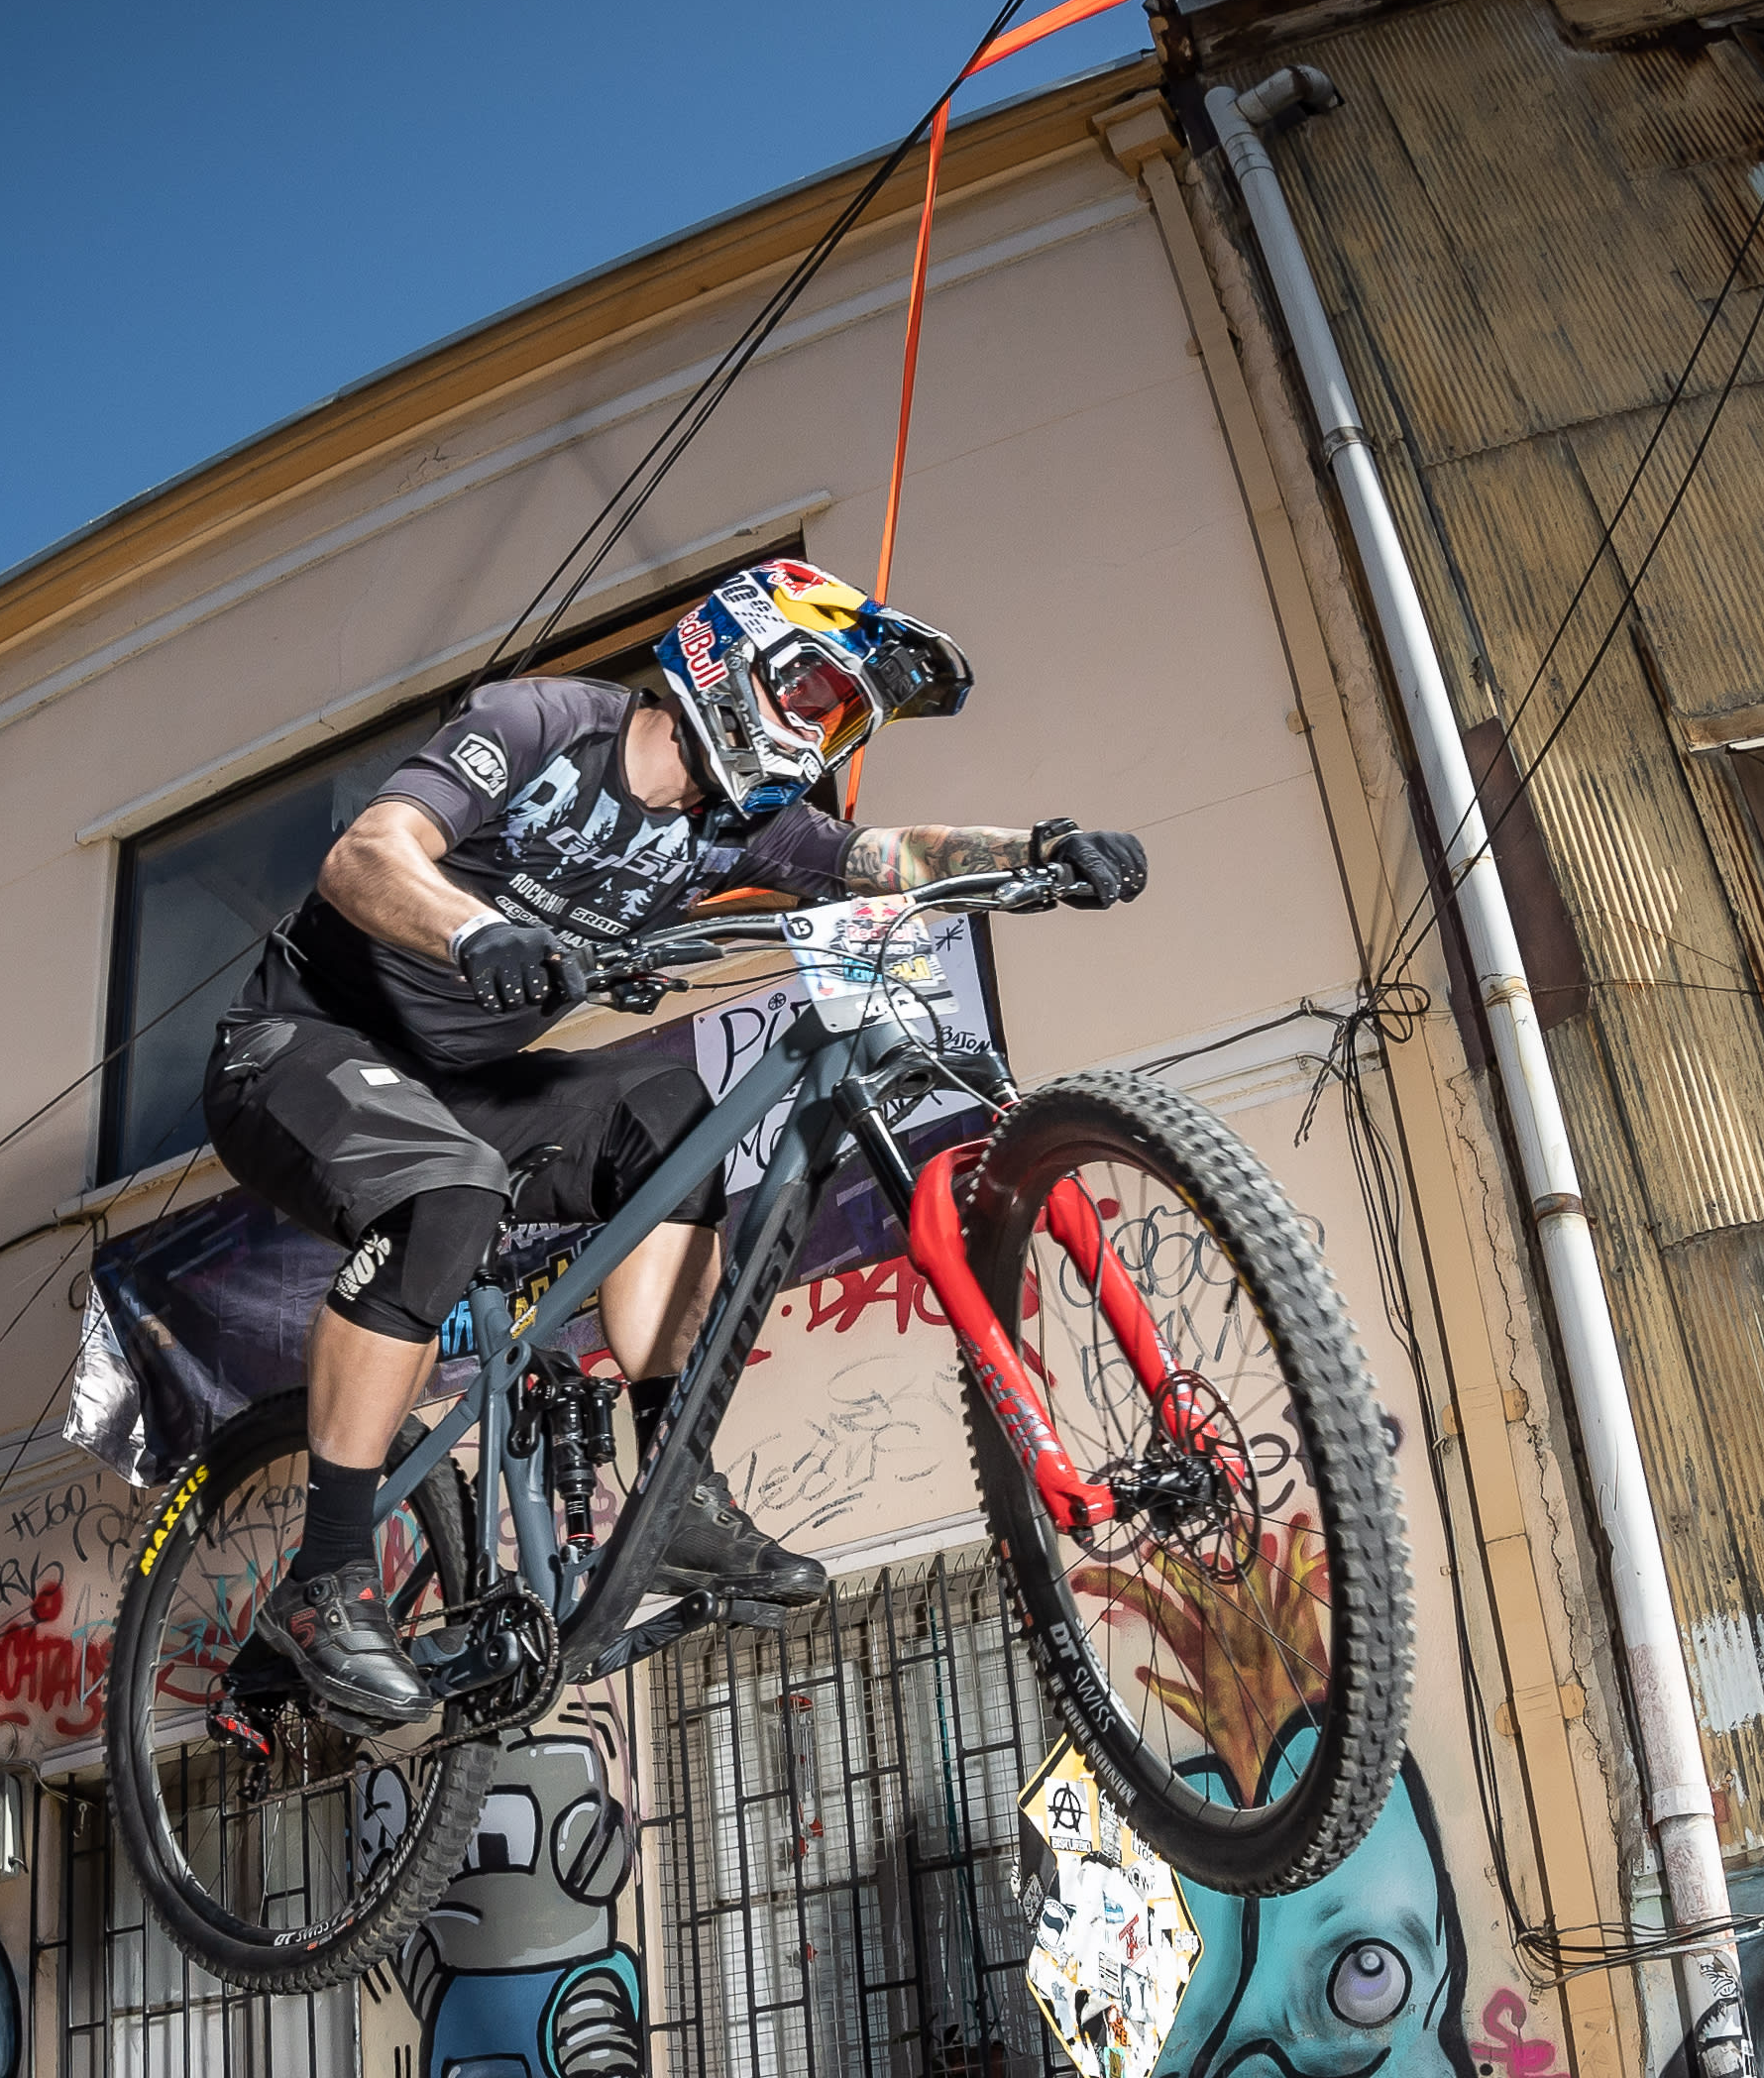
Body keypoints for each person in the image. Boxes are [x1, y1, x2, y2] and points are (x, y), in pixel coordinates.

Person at [201, 558, 1147, 1727]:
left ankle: (673, 1492)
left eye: (838, 720)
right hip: (295, 1049)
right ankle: (325, 1575)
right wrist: (474, 930)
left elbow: (875, 859)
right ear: (730, 657)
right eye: (812, 698)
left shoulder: (735, 830)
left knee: (671, 1115)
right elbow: (367, 853)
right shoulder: (541, 723)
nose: (816, 735)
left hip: (463, 1085)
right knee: (449, 1190)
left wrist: (1036, 851)